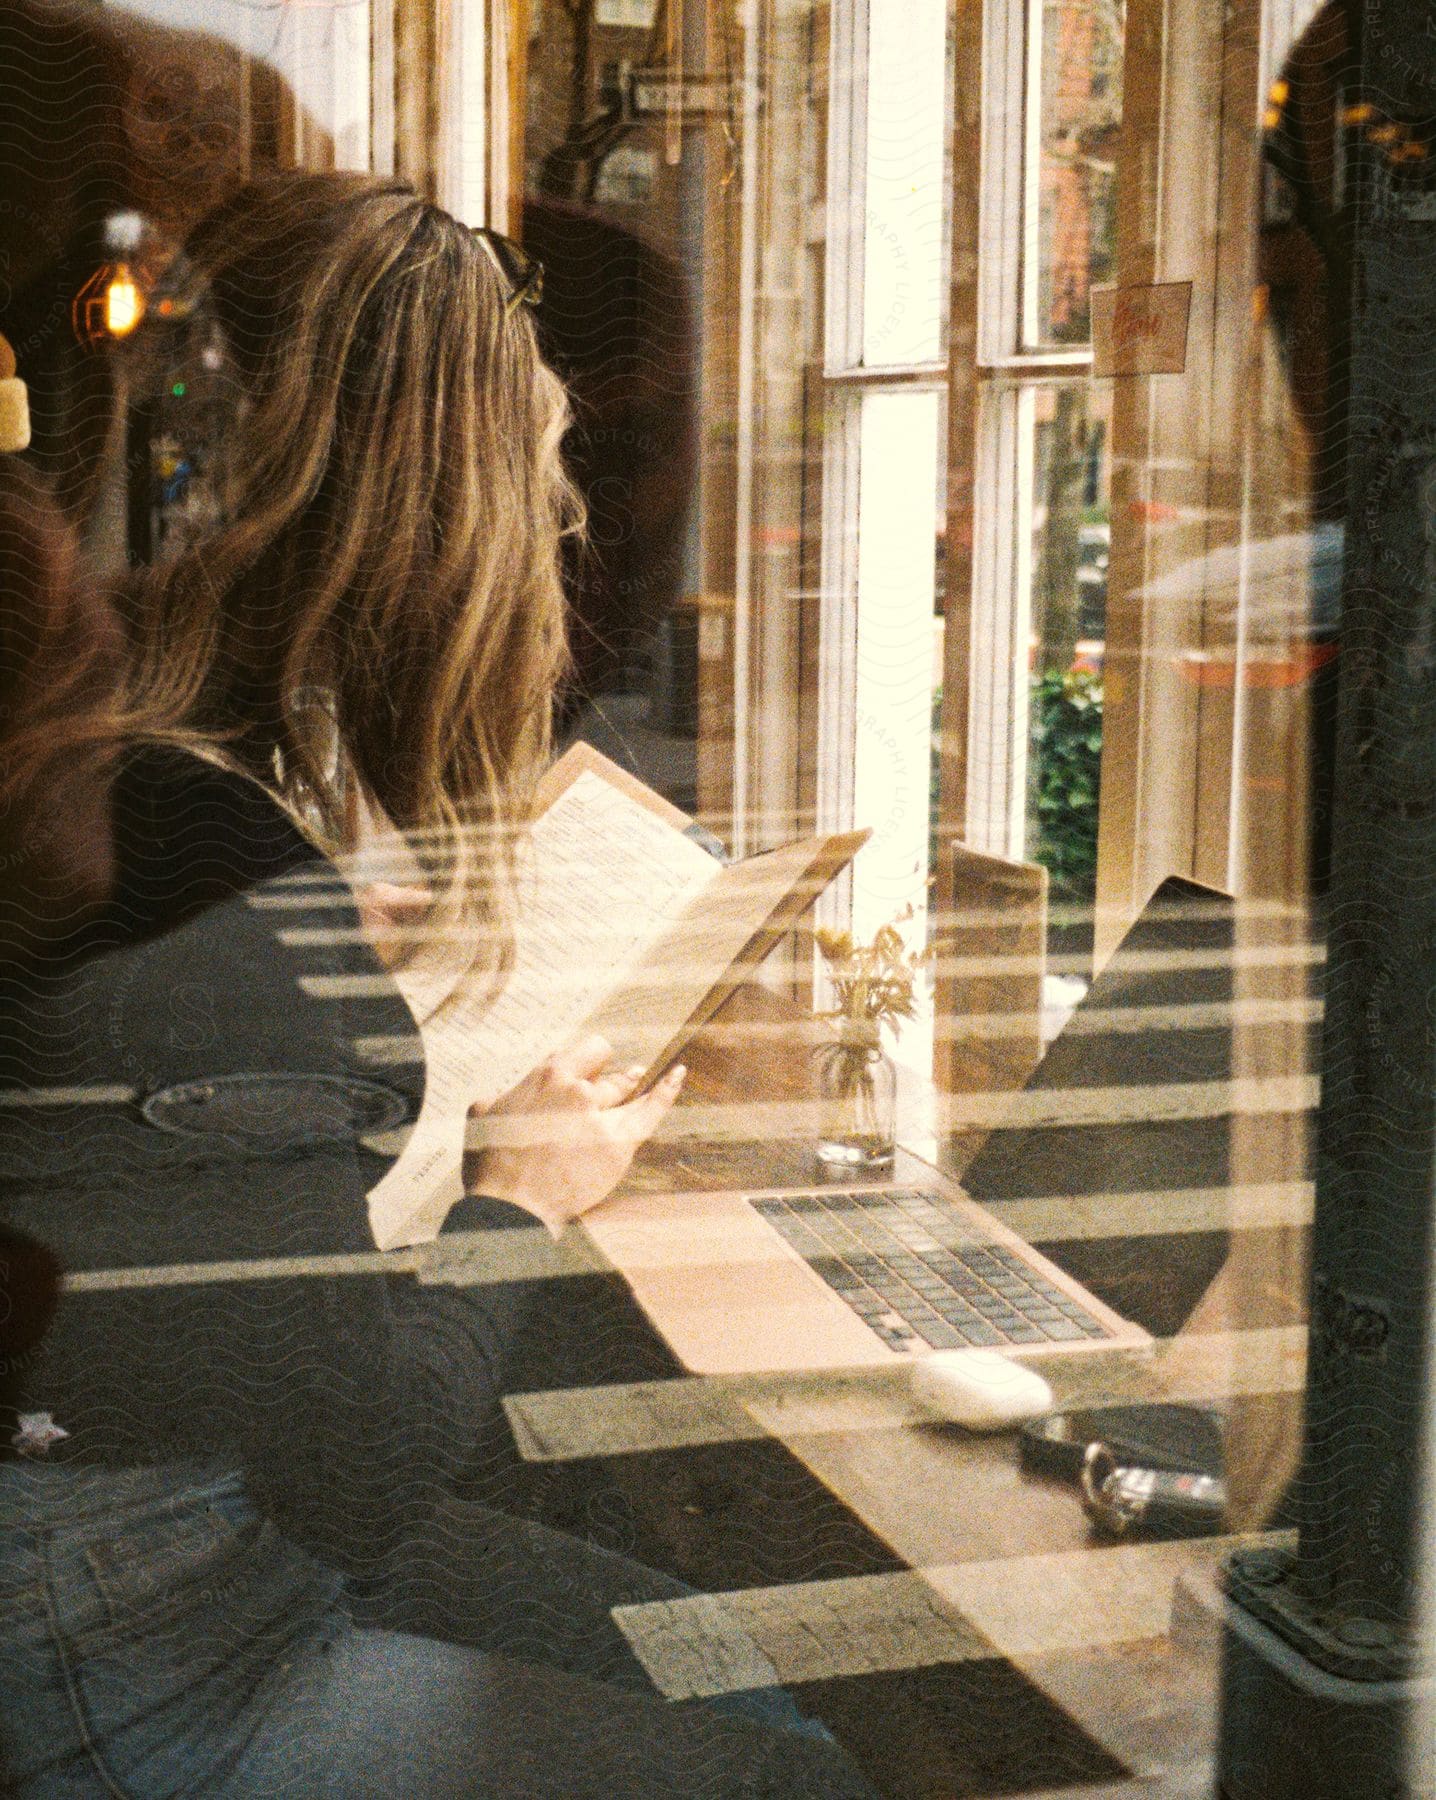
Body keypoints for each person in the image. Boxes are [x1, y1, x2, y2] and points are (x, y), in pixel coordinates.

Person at [0, 172, 877, 1798]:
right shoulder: (210, 895)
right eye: (542, 473)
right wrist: (518, 1196)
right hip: (113, 1625)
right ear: (434, 520)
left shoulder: (141, 785)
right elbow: (344, 1476)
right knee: (796, 1776)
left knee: (722, 1663)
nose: (562, 527)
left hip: (111, 1528)